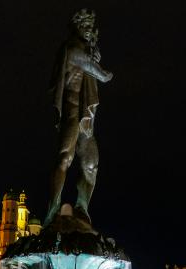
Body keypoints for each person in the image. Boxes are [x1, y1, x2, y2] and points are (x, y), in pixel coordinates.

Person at [45, 9, 113, 226]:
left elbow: (92, 64)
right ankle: (53, 209)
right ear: (76, 27)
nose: (88, 31)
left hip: (86, 119)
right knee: (64, 157)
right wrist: (103, 68)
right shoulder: (72, 49)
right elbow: (101, 75)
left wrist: (95, 53)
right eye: (84, 27)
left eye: (90, 28)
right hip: (72, 110)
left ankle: (82, 208)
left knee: (92, 165)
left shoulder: (85, 49)